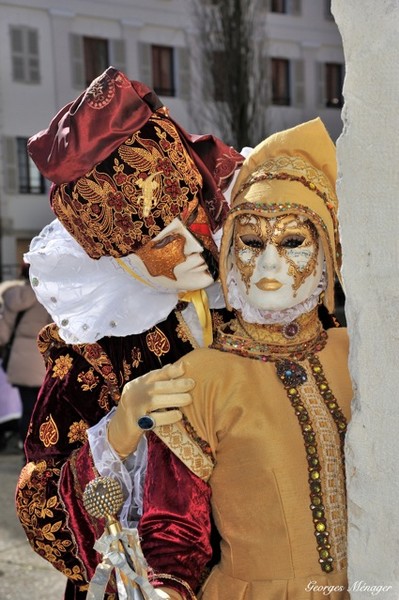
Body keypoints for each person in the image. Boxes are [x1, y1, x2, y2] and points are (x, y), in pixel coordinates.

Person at [15, 67, 243, 600]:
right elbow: (41, 508)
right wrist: (117, 432)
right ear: (116, 256)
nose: (192, 248)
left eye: (192, 218)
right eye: (162, 243)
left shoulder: (242, 297)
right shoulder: (95, 348)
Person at [114, 118, 353, 599]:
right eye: (250, 242)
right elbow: (173, 535)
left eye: (292, 242)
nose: (268, 264)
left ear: (327, 251)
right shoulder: (200, 378)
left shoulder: (358, 353)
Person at [0, 265, 51, 454]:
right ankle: (41, 452)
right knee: (44, 409)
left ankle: (26, 453)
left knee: (27, 408)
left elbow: (3, 336)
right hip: (41, 358)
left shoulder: (13, 297)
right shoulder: (48, 298)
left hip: (19, 359)